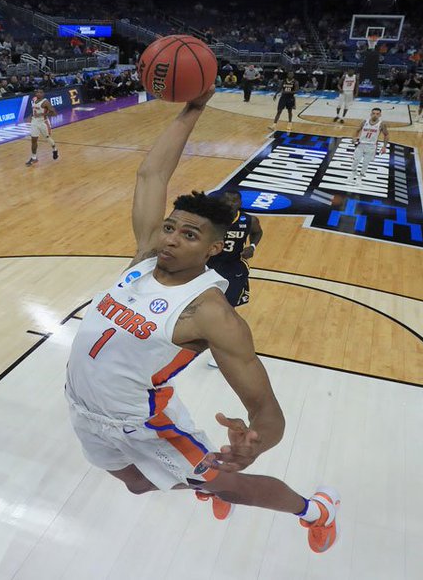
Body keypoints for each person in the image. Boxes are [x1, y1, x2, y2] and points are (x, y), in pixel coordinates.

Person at [64, 88, 340, 551]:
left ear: (213, 249)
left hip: (143, 422)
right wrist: (192, 109)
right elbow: (152, 174)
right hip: (82, 407)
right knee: (136, 484)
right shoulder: (144, 258)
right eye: (169, 227)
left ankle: (316, 510)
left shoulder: (210, 312)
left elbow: (266, 409)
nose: (170, 239)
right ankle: (198, 483)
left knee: (225, 485)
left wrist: (255, 444)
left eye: (188, 235)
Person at [204, 188, 263, 368]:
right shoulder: (210, 219)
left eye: (234, 201)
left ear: (240, 203)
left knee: (227, 311)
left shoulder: (249, 220)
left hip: (233, 268)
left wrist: (252, 246)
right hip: (207, 266)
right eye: (227, 200)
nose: (231, 204)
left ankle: (224, 350)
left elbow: (258, 232)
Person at [349, 108, 389, 184]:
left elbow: (386, 135)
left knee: (365, 163)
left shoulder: (382, 124)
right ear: (371, 114)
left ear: (380, 115)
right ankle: (353, 172)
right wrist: (354, 138)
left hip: (371, 146)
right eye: (373, 113)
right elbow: (357, 130)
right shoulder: (365, 122)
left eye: (377, 114)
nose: (375, 115)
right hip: (361, 144)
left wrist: (384, 147)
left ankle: (360, 177)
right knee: (355, 160)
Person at [25, 88, 57, 166]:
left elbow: (54, 113)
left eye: (40, 92)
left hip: (43, 122)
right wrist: (30, 116)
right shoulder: (34, 99)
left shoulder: (46, 102)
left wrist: (42, 114)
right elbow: (34, 110)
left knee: (47, 138)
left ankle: (55, 149)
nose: (38, 94)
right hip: (34, 122)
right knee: (33, 140)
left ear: (43, 94)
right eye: (37, 92)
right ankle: (34, 157)